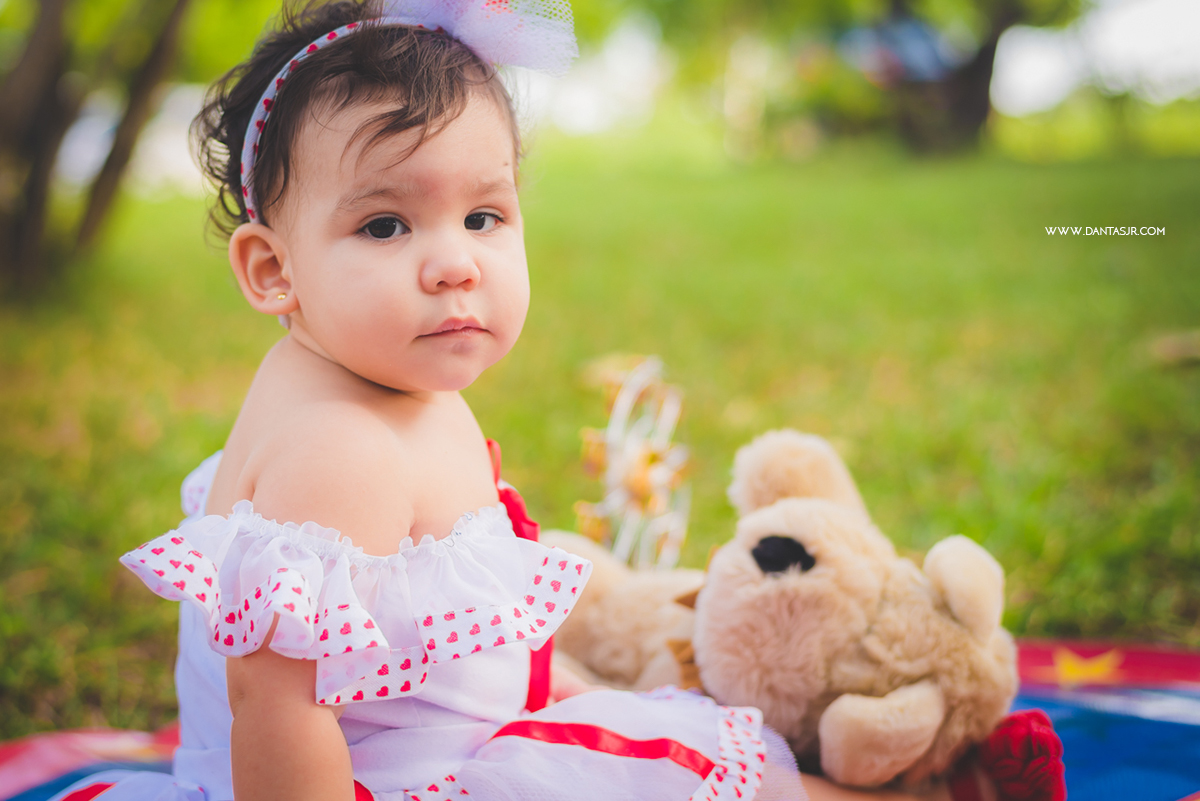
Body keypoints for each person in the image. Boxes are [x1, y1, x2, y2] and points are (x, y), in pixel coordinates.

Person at [49, 2, 1061, 800]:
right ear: (273, 269)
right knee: (685, 771)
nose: (453, 263)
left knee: (650, 719)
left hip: (460, 714)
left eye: (484, 215)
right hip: (398, 779)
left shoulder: (377, 372)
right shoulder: (335, 449)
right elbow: (276, 709)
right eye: (386, 226)